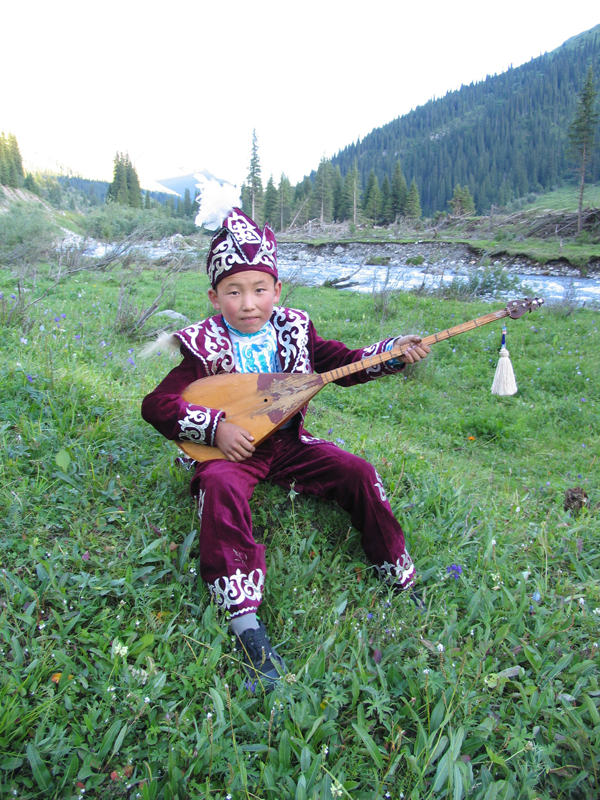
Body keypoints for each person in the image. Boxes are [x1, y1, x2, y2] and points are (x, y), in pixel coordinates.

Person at [141, 206, 430, 690]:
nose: (248, 304)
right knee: (218, 486)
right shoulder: (204, 345)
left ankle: (397, 573)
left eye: (259, 289)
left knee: (358, 472)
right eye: (233, 291)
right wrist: (216, 429)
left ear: (277, 290)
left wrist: (392, 351)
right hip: (233, 451)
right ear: (214, 296)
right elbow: (157, 405)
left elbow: (343, 363)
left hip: (290, 442)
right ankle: (244, 622)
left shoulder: (294, 329)